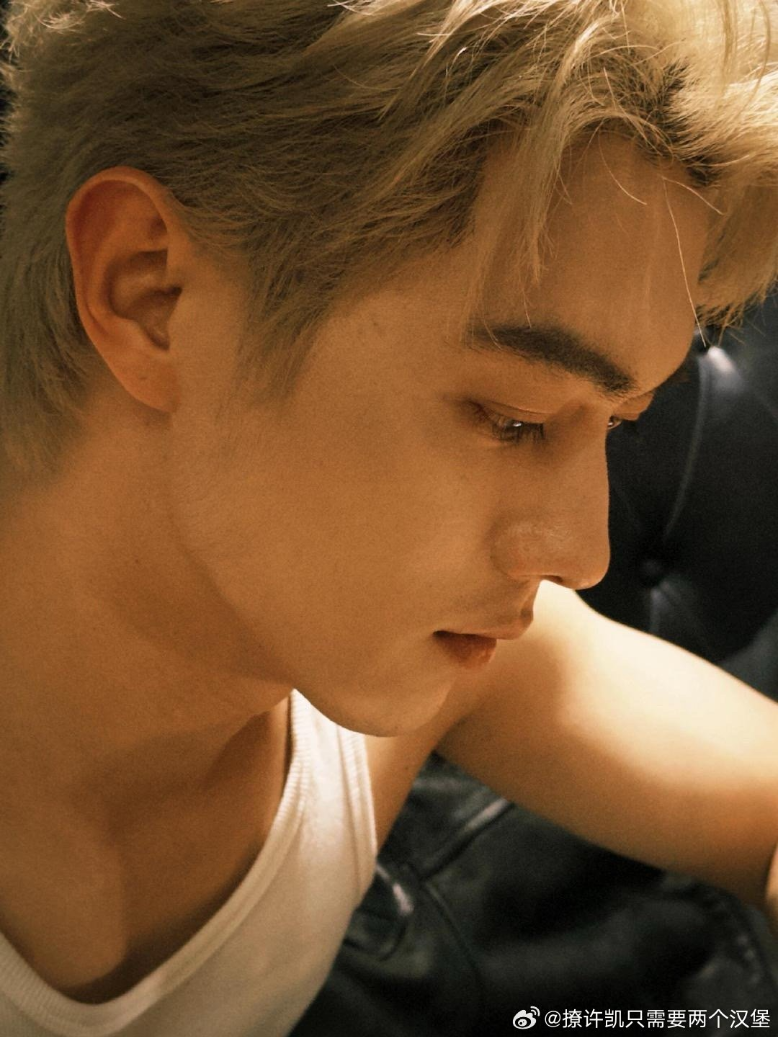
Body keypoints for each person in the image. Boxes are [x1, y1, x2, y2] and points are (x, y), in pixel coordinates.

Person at [0, 0, 776, 1033]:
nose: (583, 553)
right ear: (152, 291)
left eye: (618, 425)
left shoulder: (451, 656)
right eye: (513, 417)